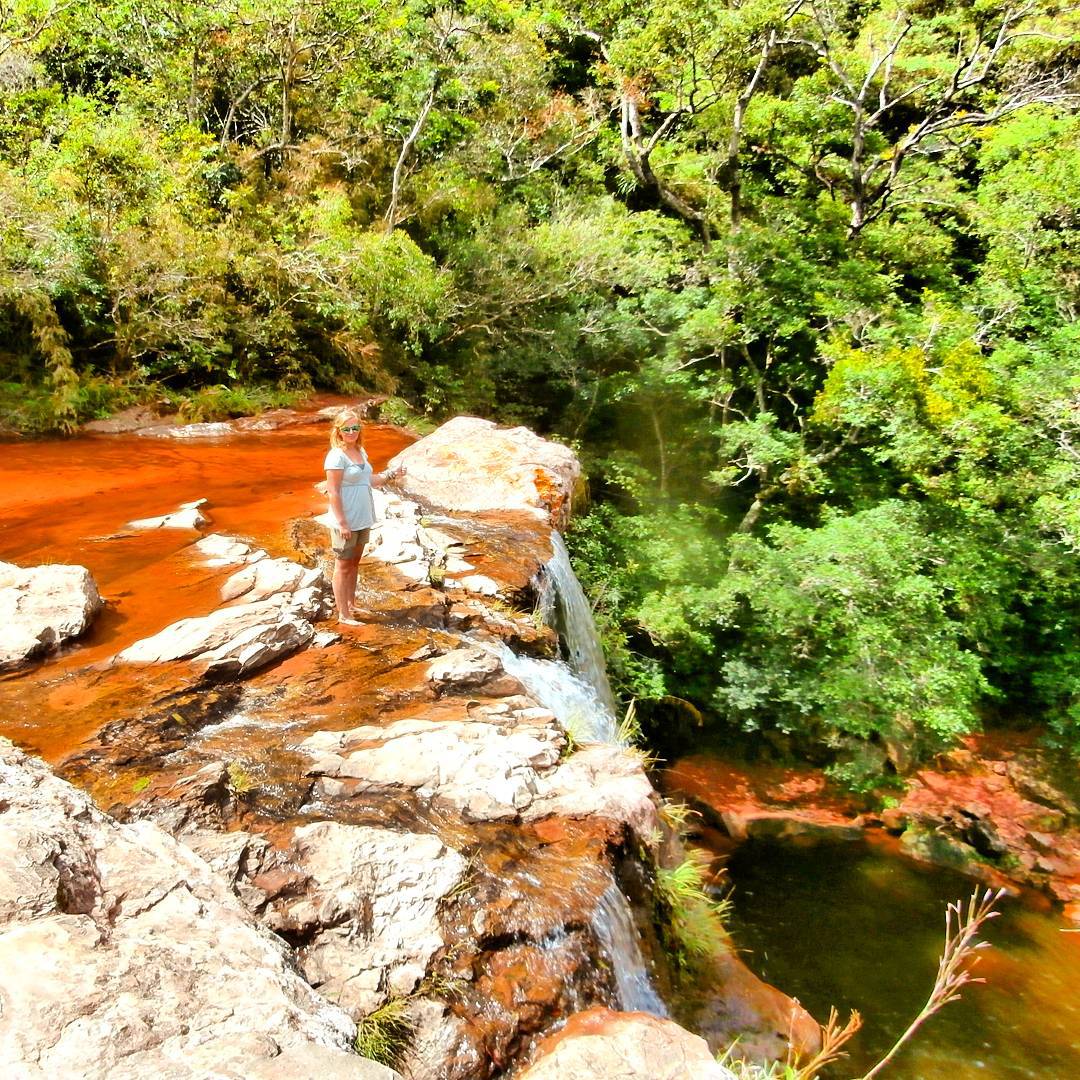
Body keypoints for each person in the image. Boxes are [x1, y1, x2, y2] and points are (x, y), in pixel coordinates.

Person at [324, 407, 384, 625]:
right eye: (346, 428)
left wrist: (391, 475)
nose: (351, 432)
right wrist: (342, 523)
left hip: (363, 518)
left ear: (360, 429)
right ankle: (343, 615)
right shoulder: (336, 456)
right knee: (342, 565)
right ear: (338, 431)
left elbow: (368, 480)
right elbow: (333, 491)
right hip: (345, 521)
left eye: (355, 427)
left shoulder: (361, 452)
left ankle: (351, 604)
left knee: (354, 563)